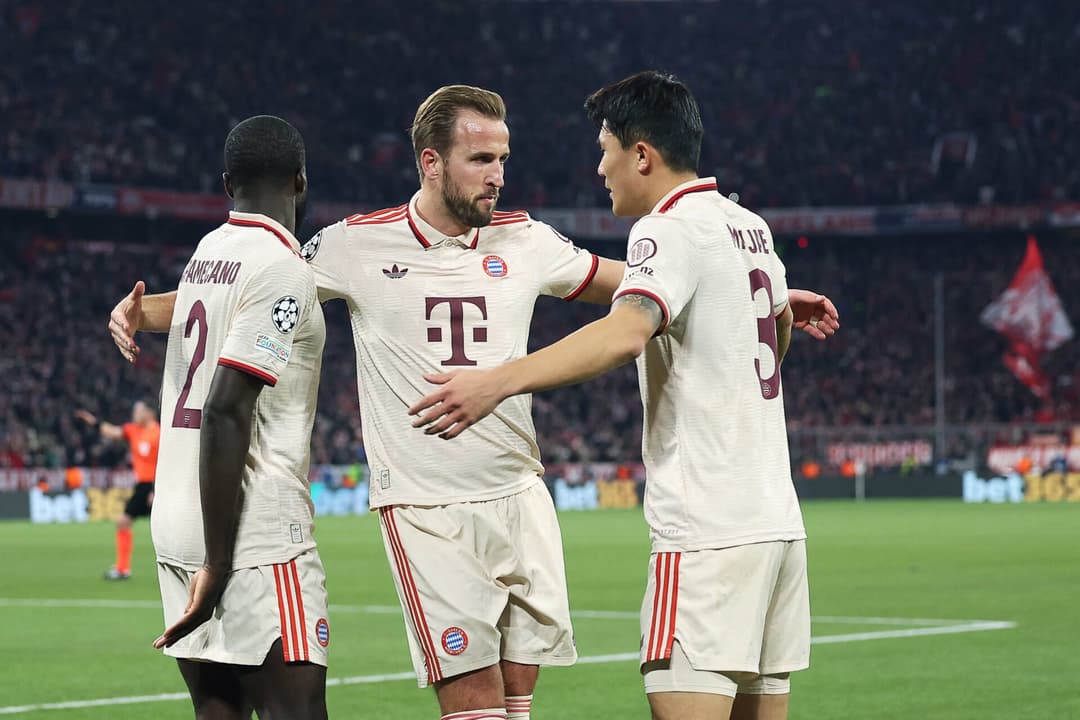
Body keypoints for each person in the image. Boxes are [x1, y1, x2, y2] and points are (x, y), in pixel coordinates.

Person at [110, 85, 835, 720]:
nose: (498, 176)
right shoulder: (353, 247)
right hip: (426, 503)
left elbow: (634, 282)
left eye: (503, 159)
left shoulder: (529, 240)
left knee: (518, 692)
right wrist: (150, 313)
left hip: (520, 492)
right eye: (481, 160)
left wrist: (755, 295)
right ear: (432, 162)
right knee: (473, 695)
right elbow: (257, 287)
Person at [408, 72, 833, 720]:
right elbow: (773, 327)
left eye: (607, 149)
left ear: (643, 155)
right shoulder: (747, 227)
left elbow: (626, 334)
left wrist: (497, 380)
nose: (601, 167)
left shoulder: (664, 229)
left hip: (706, 535)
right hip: (777, 530)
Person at [148, 115, 328, 720]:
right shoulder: (283, 268)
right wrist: (220, 563)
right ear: (300, 182)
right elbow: (225, 410)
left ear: (228, 184)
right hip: (251, 536)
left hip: (176, 521)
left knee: (218, 710)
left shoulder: (206, 254)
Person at [75, 400, 160, 580]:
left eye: (137, 411)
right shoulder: (133, 430)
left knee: (160, 525)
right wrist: (92, 421)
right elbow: (112, 432)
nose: (134, 414)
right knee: (123, 522)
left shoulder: (159, 433)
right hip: (143, 487)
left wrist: (156, 489)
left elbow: (165, 462)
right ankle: (122, 568)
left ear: (148, 413)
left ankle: (123, 568)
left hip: (154, 485)